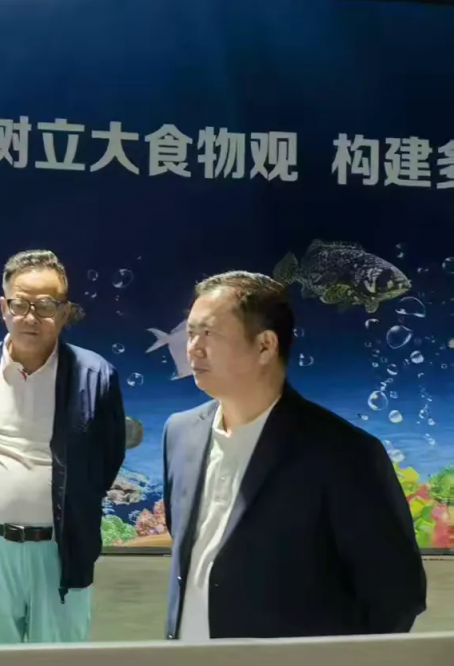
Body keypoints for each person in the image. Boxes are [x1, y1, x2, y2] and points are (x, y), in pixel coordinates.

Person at [163, 271, 426, 641]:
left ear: (265, 346)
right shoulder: (179, 434)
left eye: (209, 333)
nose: (193, 348)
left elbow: (396, 595)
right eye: (190, 332)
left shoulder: (343, 453)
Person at [0, 249, 127, 645]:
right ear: (3, 308)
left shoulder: (96, 376)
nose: (31, 317)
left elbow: (108, 457)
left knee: (59, 658)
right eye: (20, 304)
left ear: (64, 312)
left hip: (60, 549)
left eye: (45, 306)